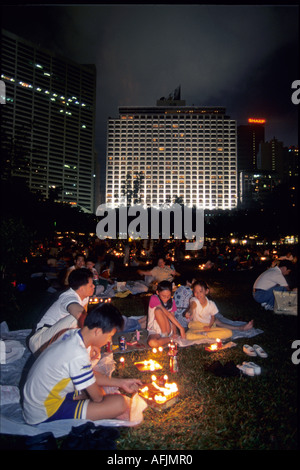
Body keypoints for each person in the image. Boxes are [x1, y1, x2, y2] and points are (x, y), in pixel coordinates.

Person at [23, 304, 142, 425]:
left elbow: (89, 373)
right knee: (119, 403)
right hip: (44, 412)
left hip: (38, 401)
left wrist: (121, 383)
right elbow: (98, 398)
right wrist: (99, 394)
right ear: (97, 331)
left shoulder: (71, 334)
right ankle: (80, 400)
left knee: (95, 385)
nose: (109, 341)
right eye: (109, 336)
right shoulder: (77, 353)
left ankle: (82, 396)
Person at [28, 268, 95, 355]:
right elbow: (79, 314)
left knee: (93, 356)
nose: (94, 286)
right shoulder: (68, 297)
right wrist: (94, 338)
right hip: (40, 342)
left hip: (56, 342)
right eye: (91, 285)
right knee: (78, 318)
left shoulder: (84, 298)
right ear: (81, 288)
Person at [147, 280, 186, 348]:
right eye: (163, 296)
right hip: (154, 329)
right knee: (152, 343)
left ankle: (165, 336)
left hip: (167, 329)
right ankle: (170, 339)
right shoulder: (154, 298)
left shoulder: (172, 302)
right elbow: (167, 313)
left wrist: (174, 333)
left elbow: (172, 317)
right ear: (157, 292)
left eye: (168, 296)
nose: (166, 298)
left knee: (158, 311)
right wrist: (181, 328)